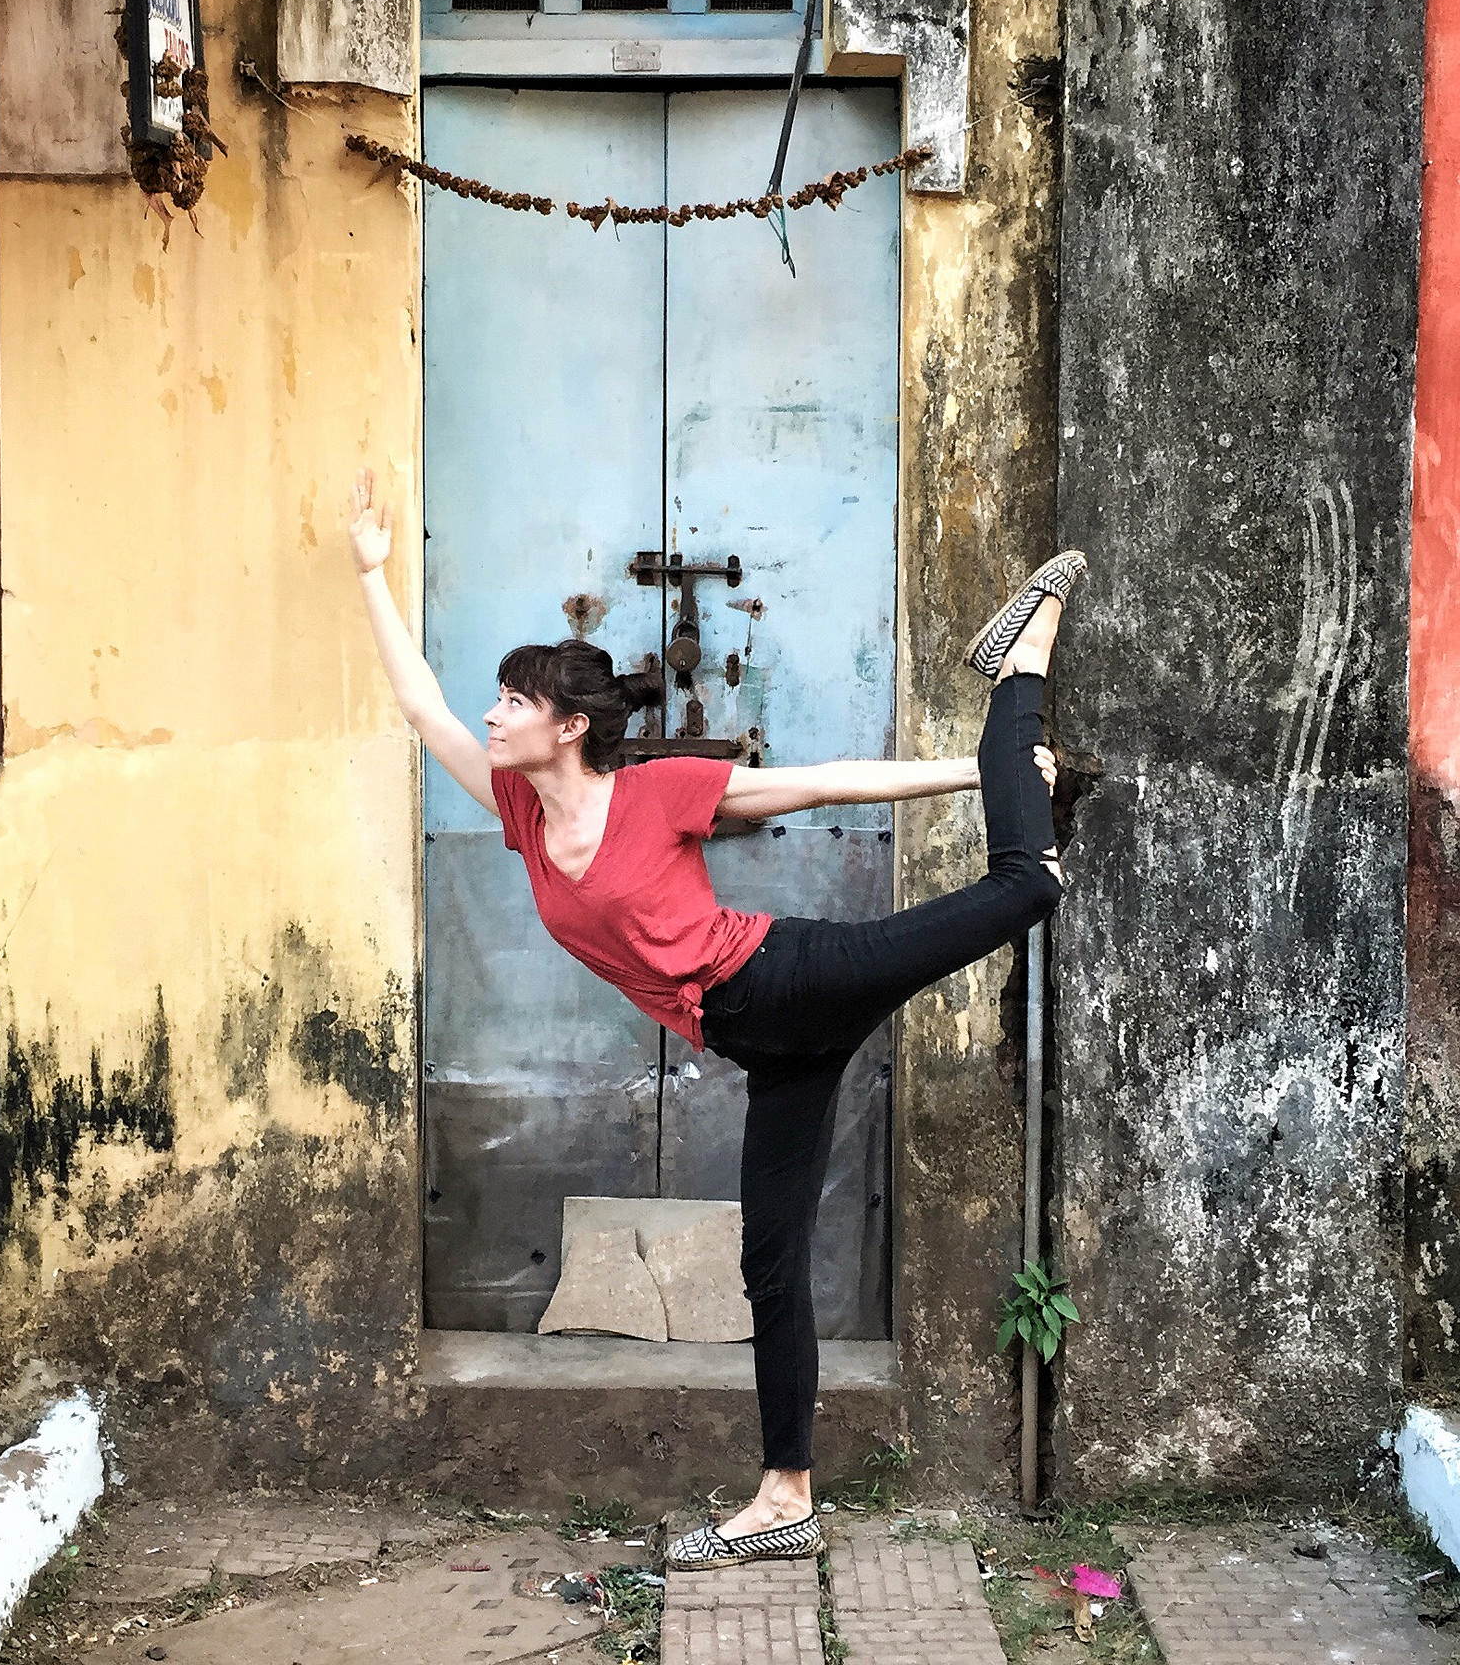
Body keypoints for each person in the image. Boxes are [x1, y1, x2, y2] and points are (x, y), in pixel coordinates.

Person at [347, 468, 1080, 1570]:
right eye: (495, 697)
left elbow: (821, 784)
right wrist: (369, 569)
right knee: (770, 1261)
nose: (492, 712)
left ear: (568, 725)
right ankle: (785, 1492)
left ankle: (1019, 675)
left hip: (790, 982)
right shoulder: (515, 807)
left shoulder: (655, 792)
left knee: (1028, 884)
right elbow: (419, 707)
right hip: (763, 1046)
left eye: (512, 698)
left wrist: (973, 772)